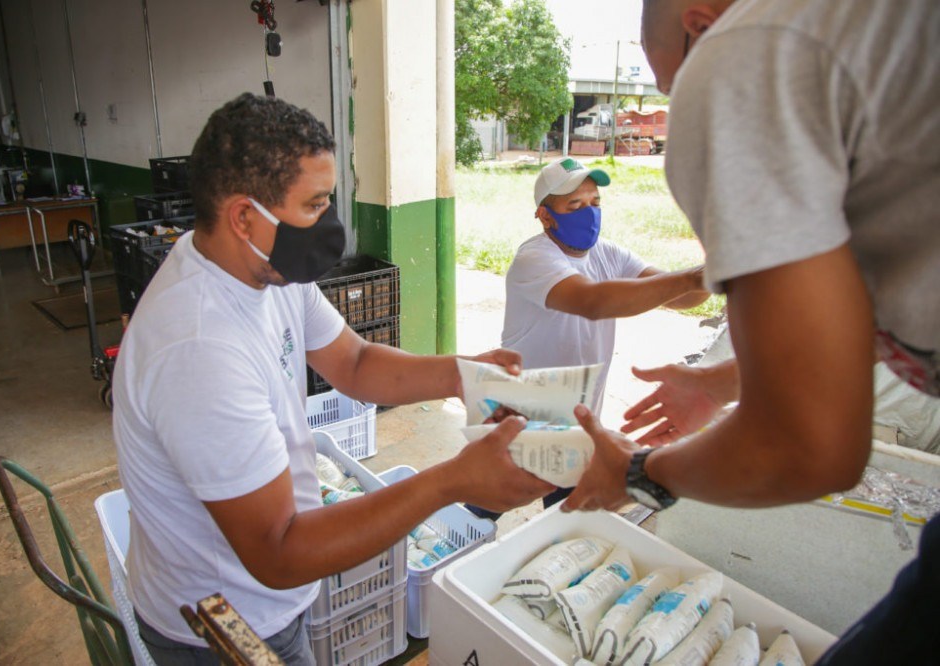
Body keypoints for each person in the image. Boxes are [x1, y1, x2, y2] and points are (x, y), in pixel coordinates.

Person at [111, 93, 553, 665]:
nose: (329, 223)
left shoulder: (268, 270)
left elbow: (355, 362)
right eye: (314, 205)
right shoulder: (199, 349)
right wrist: (451, 483)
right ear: (244, 217)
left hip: (269, 599)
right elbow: (280, 551)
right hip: (218, 629)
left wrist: (466, 376)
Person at [562, 0, 939, 662]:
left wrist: (639, 471)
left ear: (702, 24)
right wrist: (723, 380)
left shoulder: (743, 55)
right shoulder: (871, 40)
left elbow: (809, 447)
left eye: (674, 85)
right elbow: (839, 317)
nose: (683, 101)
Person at [467, 157, 708, 519]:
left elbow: (686, 298)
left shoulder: (608, 254)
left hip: (576, 415)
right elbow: (593, 302)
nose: (589, 213)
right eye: (574, 205)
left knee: (567, 514)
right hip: (523, 412)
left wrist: (711, 268)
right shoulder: (534, 259)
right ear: (545, 216)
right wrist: (692, 277)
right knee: (485, 508)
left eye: (595, 203)